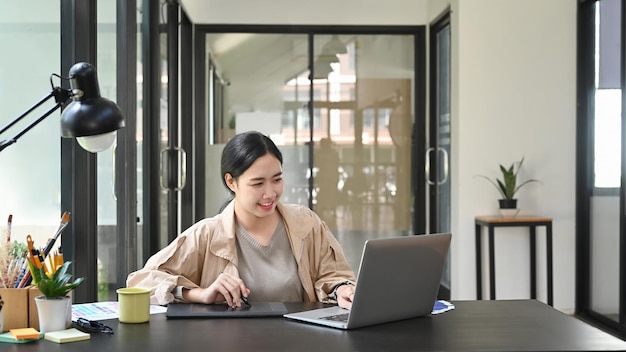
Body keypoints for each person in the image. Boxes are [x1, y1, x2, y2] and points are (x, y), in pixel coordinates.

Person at [126, 131, 356, 309]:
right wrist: (198, 294)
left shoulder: (306, 223)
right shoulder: (207, 234)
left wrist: (342, 289)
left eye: (277, 180)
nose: (270, 193)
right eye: (257, 184)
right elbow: (140, 282)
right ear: (231, 182)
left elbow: (334, 274)